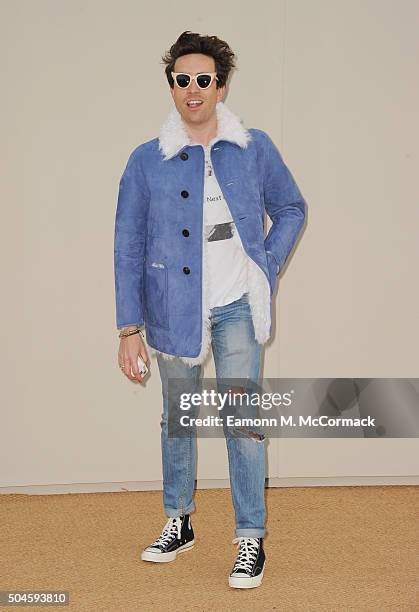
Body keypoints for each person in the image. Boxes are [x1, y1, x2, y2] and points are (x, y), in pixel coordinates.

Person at [114, 30, 307, 589]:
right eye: (182, 80)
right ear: (171, 87)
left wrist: (264, 263)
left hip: (237, 305)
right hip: (173, 308)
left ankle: (250, 539)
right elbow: (127, 246)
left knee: (241, 423)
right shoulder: (146, 161)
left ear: (221, 87)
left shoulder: (255, 147)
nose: (192, 89)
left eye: (204, 79)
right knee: (177, 419)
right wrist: (129, 326)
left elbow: (291, 207)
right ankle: (180, 521)